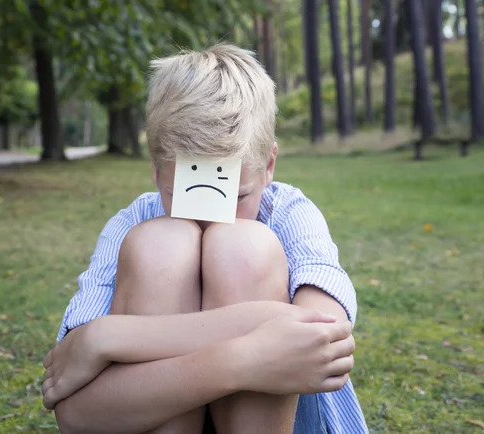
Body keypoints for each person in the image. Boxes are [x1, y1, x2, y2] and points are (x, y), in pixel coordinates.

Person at [41, 44, 368, 434]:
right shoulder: (133, 225)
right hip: (142, 412)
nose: (209, 219)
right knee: (162, 243)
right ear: (155, 172)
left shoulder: (288, 212)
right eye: (183, 196)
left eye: (236, 196)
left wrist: (107, 336)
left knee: (241, 246)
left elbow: (322, 333)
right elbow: (77, 415)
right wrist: (246, 354)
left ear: (269, 166)